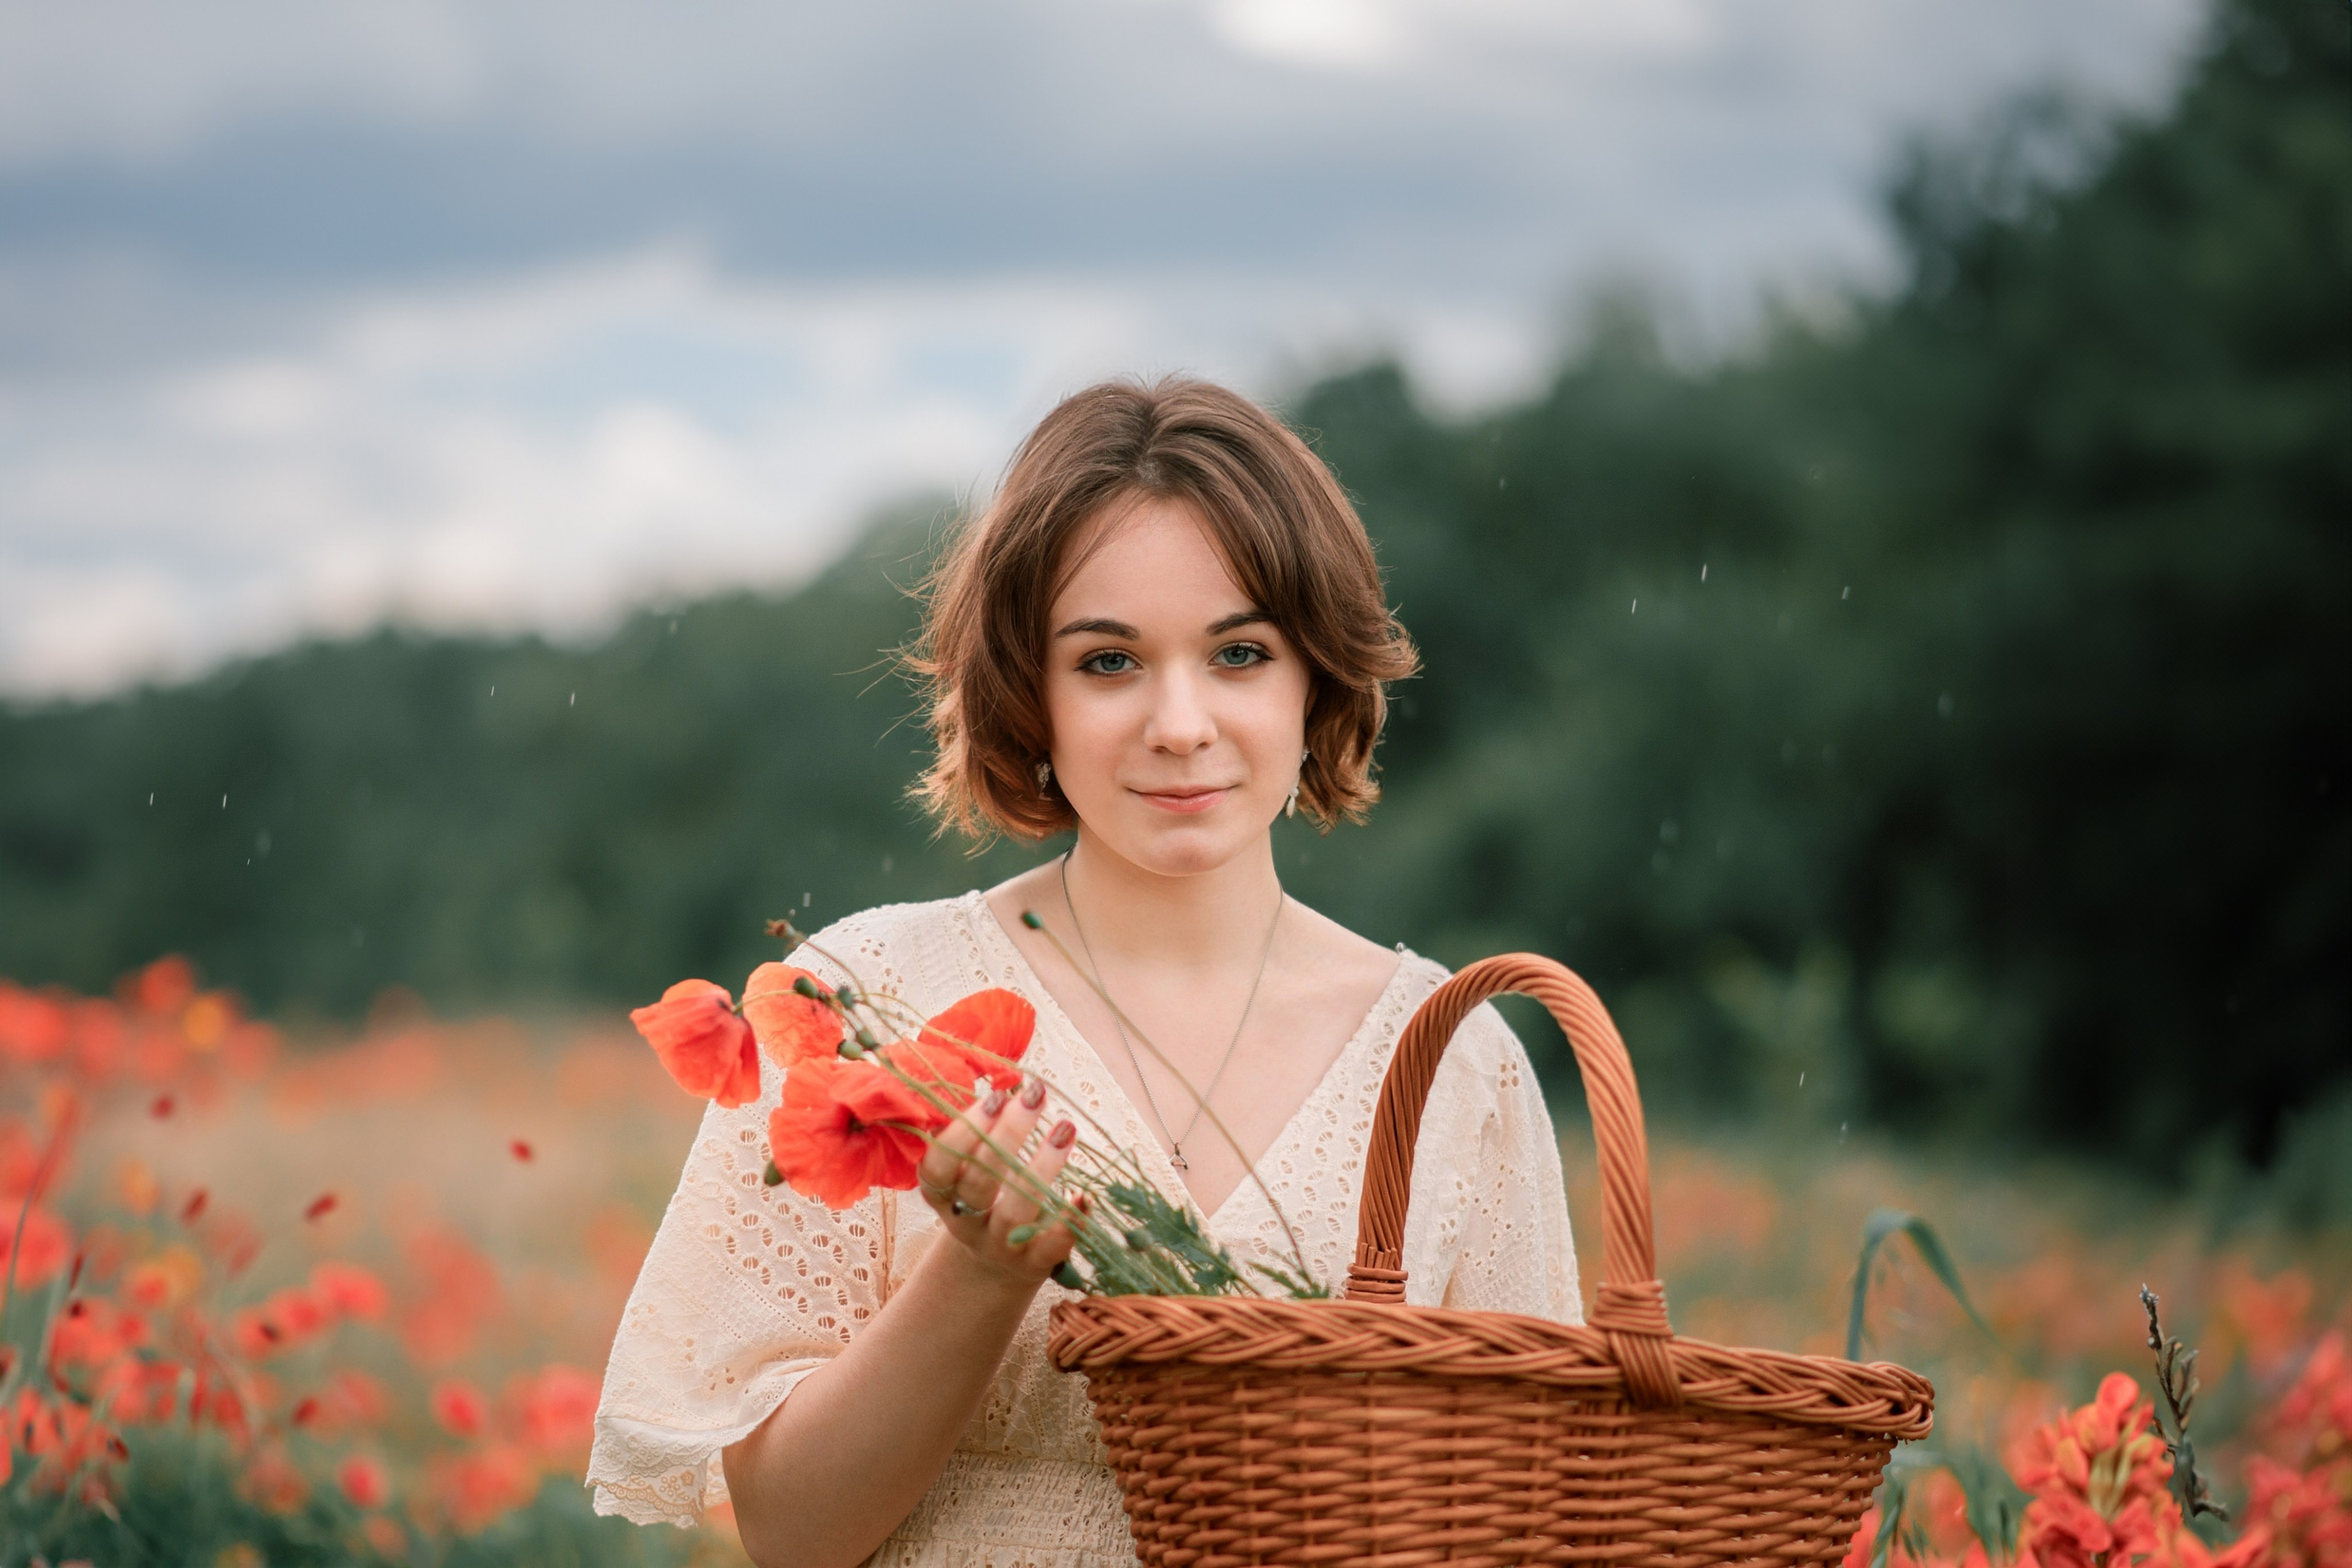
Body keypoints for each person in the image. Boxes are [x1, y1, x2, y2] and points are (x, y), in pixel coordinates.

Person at [586, 378, 1581, 1567]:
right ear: (1030, 694)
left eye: (1240, 653)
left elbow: (1528, 1522)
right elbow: (793, 1535)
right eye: (1109, 661)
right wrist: (977, 1274)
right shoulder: (859, 1004)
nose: (1179, 721)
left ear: (1315, 674)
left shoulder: (1459, 1059)